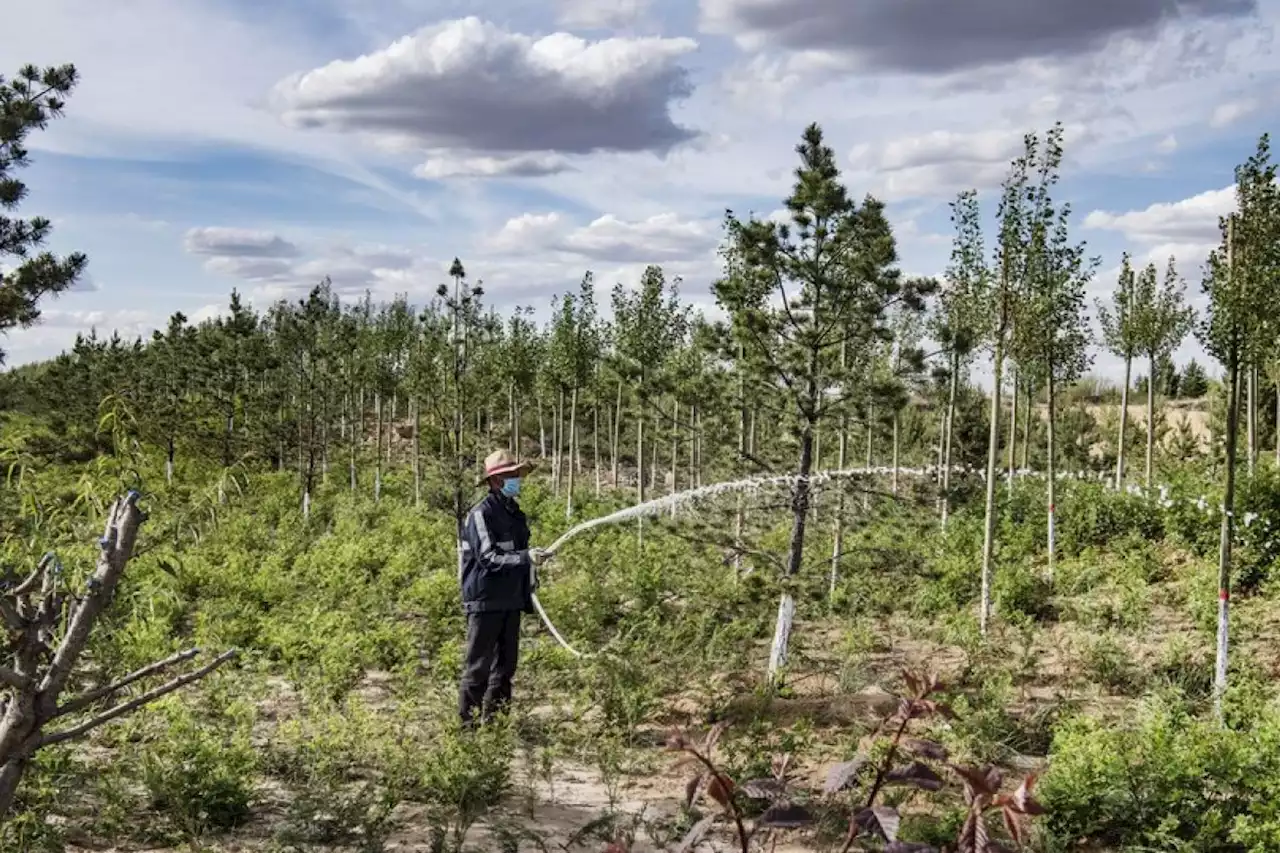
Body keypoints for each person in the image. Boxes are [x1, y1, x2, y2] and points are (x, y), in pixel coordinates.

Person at [457, 449, 551, 727]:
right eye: (512, 476)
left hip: (510, 600)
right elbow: (488, 558)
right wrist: (525, 557)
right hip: (485, 601)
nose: (517, 481)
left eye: (517, 476)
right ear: (496, 481)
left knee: (505, 668)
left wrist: (532, 562)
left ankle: (495, 727)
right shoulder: (480, 515)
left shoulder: (515, 514)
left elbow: (519, 554)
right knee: (478, 668)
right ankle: (468, 731)